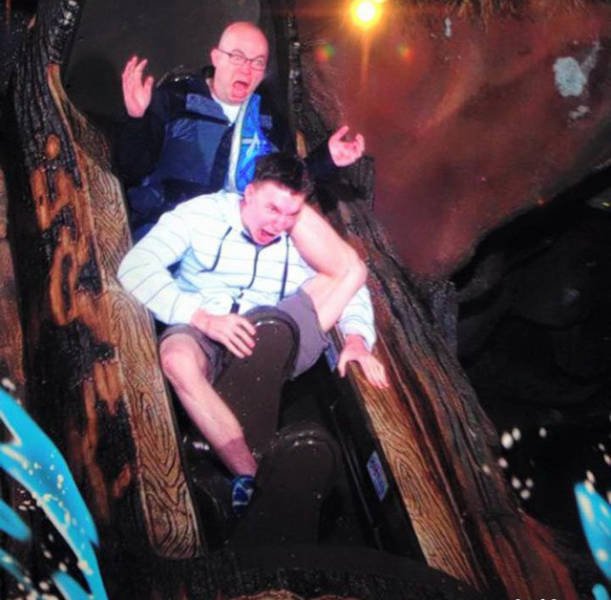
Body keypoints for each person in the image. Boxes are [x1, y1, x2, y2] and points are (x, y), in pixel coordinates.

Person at [118, 153, 388, 512]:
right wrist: (201, 318)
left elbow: (350, 282)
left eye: (291, 214)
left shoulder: (298, 237)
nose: (278, 223)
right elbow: (136, 266)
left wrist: (356, 339)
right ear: (248, 193)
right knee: (176, 359)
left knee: (346, 273)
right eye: (272, 209)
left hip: (274, 339)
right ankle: (251, 477)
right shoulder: (202, 214)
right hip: (203, 325)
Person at [114, 20, 365, 240]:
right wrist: (136, 119)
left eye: (258, 62)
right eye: (237, 57)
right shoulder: (174, 100)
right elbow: (131, 169)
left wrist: (326, 159)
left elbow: (284, 190)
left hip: (237, 244)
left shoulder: (270, 121)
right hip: (167, 229)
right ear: (216, 57)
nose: (247, 69)